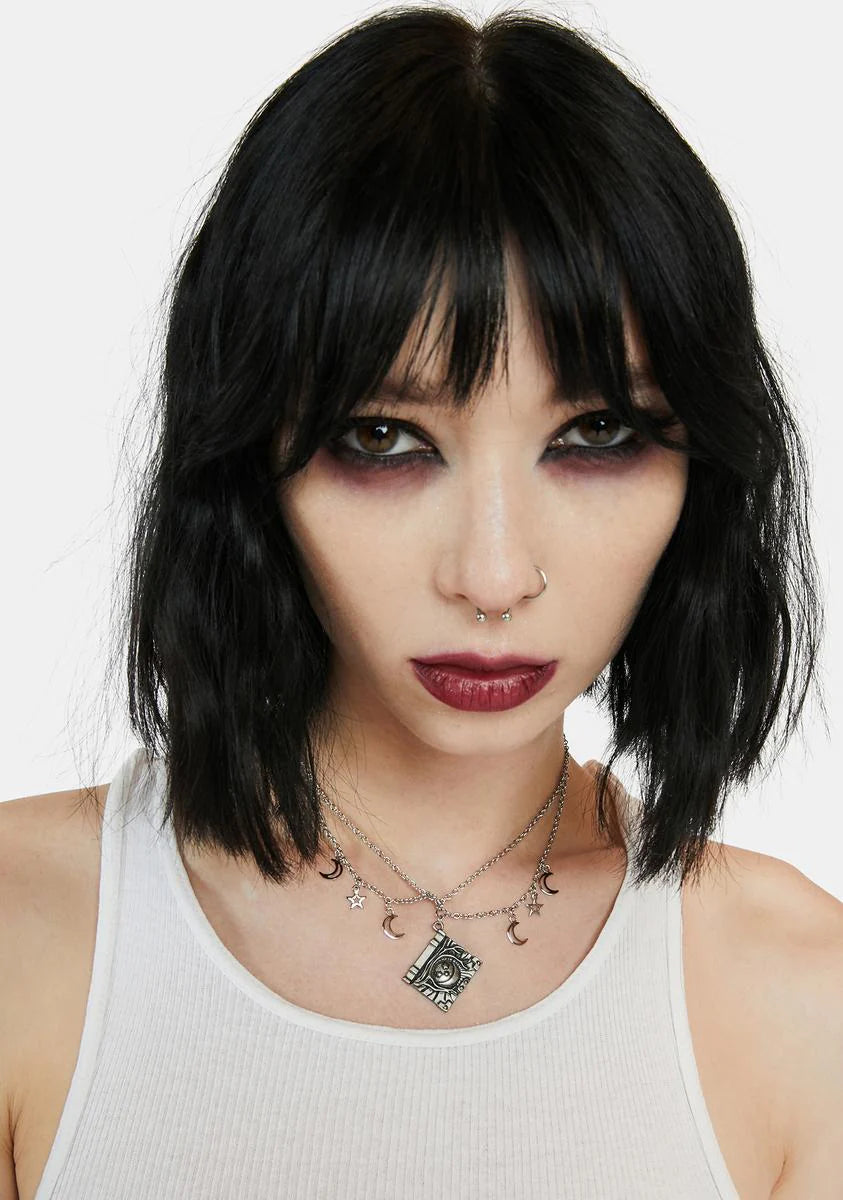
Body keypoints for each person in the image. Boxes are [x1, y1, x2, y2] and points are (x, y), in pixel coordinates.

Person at [1, 6, 840, 1199]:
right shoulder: (22, 939)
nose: (493, 577)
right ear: (249, 459)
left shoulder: (806, 1000)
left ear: (701, 470)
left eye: (596, 433)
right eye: (384, 439)